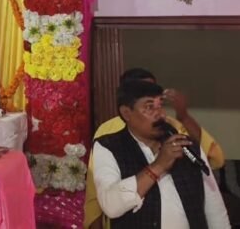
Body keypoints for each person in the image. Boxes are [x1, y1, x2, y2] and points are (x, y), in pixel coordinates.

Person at [84, 67, 225, 228]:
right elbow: (109, 205)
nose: (161, 114)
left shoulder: (183, 141)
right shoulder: (107, 145)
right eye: (149, 107)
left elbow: (215, 210)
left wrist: (183, 116)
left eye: (160, 105)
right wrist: (159, 165)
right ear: (126, 113)